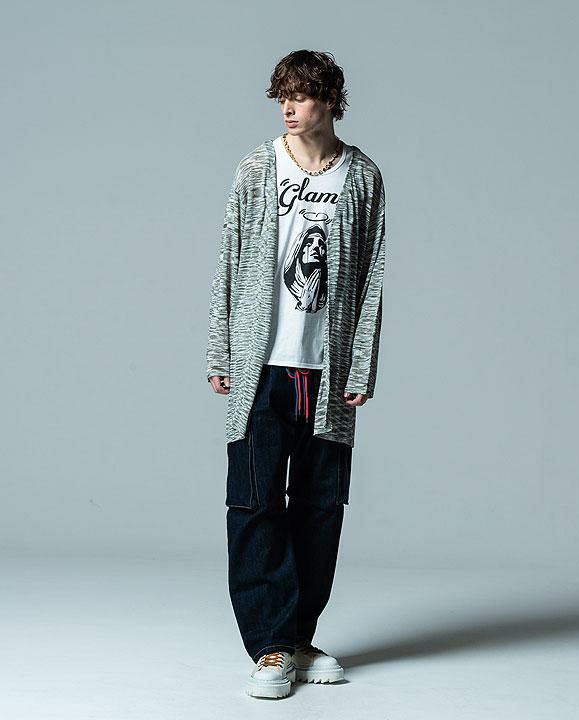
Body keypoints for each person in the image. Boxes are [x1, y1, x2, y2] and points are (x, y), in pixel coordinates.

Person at [206, 49, 386, 699]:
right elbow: (229, 258)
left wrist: (360, 362)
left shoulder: (362, 177)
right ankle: (270, 646)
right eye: (281, 94)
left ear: (331, 101)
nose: (287, 106)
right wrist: (221, 351)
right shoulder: (257, 167)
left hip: (326, 372)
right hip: (261, 368)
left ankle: (299, 637)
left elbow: (372, 277)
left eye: (300, 95)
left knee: (320, 508)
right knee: (255, 503)